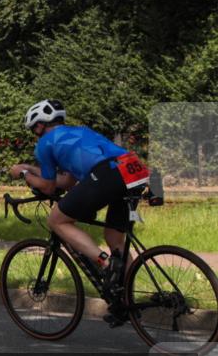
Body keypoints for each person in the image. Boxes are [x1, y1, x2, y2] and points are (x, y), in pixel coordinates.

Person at [9, 99, 150, 326]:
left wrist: (24, 173)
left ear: (38, 126)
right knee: (114, 237)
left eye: (33, 130)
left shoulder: (45, 143)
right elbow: (66, 181)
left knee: (57, 220)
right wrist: (31, 168)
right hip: (132, 169)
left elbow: (47, 186)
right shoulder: (80, 132)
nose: (35, 133)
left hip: (107, 175)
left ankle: (104, 263)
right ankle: (126, 301)